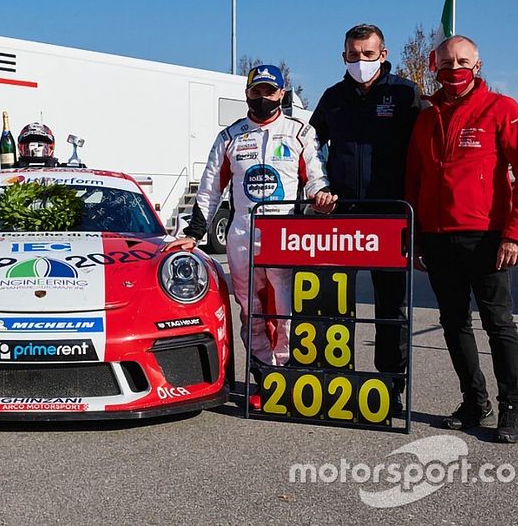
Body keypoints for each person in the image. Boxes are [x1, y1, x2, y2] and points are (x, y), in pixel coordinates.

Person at [165, 65, 337, 409]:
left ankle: (287, 378)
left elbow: (315, 175)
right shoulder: (230, 136)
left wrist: (322, 195)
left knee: (285, 311)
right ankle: (265, 381)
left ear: (282, 94)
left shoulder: (299, 131)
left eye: (269, 92)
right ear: (247, 94)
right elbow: (210, 188)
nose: (263, 98)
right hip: (242, 235)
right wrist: (194, 234)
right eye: (256, 91)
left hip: (284, 235)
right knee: (251, 312)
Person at [406, 35, 518, 443]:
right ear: (435, 65)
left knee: (498, 323)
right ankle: (474, 400)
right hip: (437, 238)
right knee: (453, 323)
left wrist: (516, 235)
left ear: (478, 66)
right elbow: (414, 181)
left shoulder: (504, 110)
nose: (454, 69)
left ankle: (512, 407)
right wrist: (416, 239)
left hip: (487, 238)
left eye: (463, 61)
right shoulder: (426, 118)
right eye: (446, 62)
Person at [309, 23, 423, 415]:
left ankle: (390, 387)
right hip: (341, 218)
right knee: (332, 304)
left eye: (368, 54)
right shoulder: (332, 97)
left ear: (384, 53)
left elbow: (428, 147)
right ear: (344, 56)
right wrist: (317, 189)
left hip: (390, 217)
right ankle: (330, 381)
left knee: (390, 308)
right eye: (354, 55)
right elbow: (308, 150)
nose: (361, 62)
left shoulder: (406, 94)